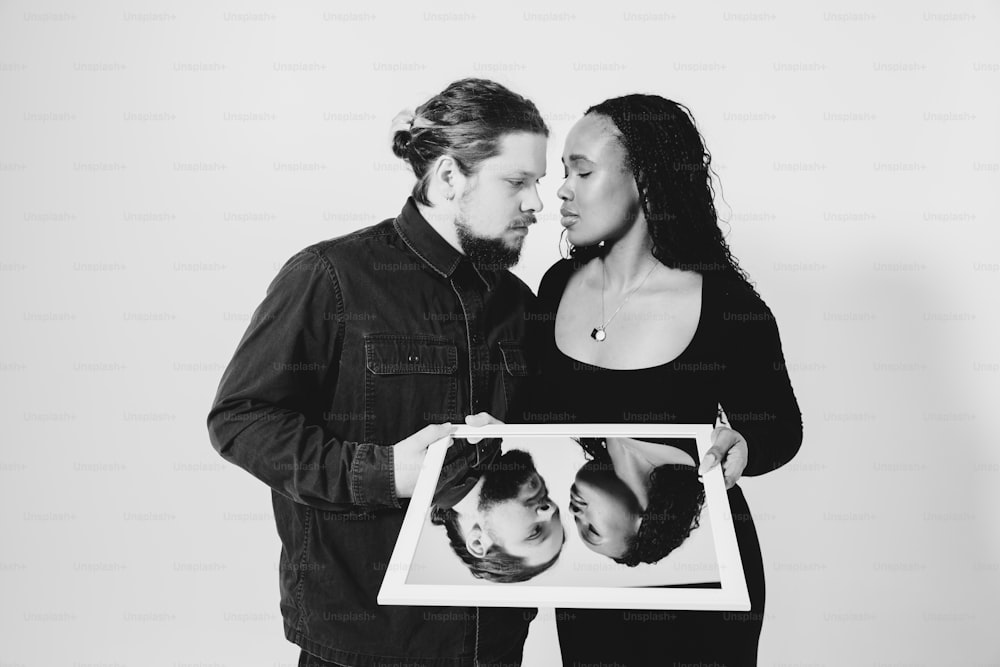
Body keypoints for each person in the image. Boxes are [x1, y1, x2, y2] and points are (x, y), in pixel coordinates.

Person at [207, 78, 548, 667]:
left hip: (491, 637)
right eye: (517, 181)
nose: (536, 203)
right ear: (448, 176)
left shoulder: (519, 304)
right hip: (364, 639)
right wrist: (384, 472)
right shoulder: (331, 275)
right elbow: (241, 420)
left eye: (537, 182)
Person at [528, 94, 804, 666]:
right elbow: (532, 419)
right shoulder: (555, 286)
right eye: (563, 173)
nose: (562, 190)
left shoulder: (725, 302)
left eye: (582, 171)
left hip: (707, 585)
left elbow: (781, 429)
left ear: (645, 181)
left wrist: (745, 446)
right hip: (590, 586)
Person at [430, 447, 565, 582]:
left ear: (478, 542)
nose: (551, 508)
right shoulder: (491, 437)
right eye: (555, 514)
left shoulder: (428, 472)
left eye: (536, 531)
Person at [569, 437, 705, 566]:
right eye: (592, 530)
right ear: (644, 522)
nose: (572, 510)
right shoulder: (706, 447)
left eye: (576, 519)